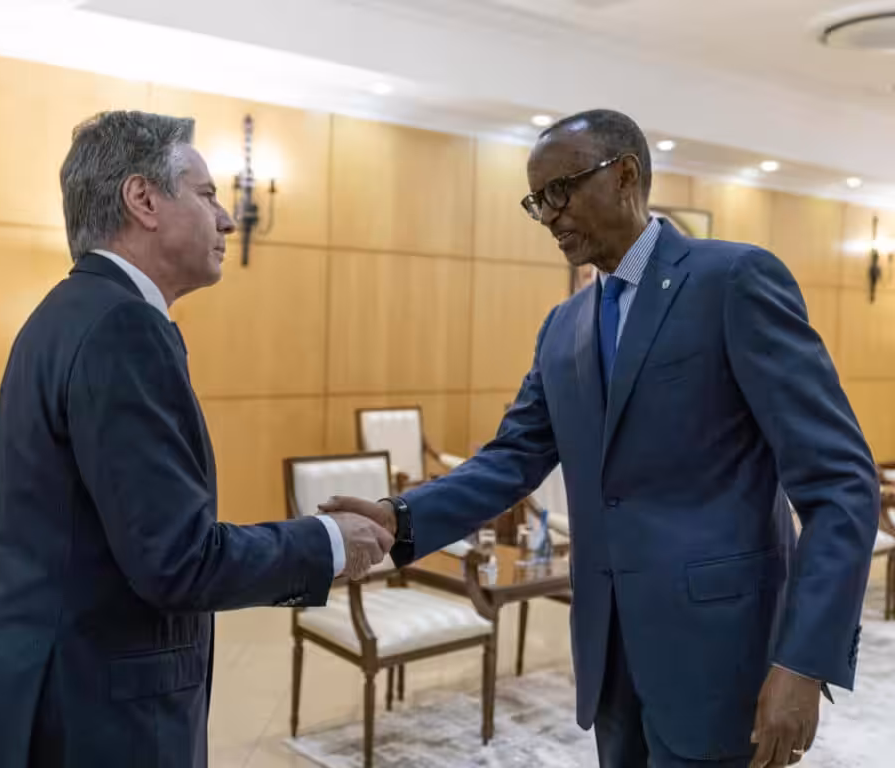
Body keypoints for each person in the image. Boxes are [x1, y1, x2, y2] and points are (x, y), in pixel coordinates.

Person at [320, 109, 880, 768]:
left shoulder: (734, 280)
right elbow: (512, 458)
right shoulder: (564, 326)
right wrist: (401, 516)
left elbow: (840, 482)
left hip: (721, 653)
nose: (548, 215)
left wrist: (805, 660)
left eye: (561, 190)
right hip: (609, 654)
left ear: (625, 176)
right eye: (537, 201)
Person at [0, 111, 393, 768]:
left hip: (39, 692)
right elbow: (178, 561)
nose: (227, 220)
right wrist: (327, 543)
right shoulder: (123, 329)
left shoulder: (67, 312)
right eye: (207, 195)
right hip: (89, 714)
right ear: (144, 200)